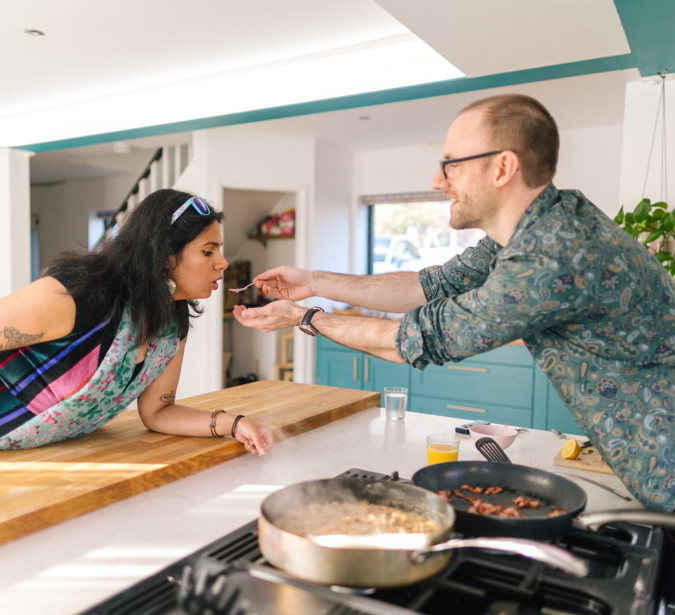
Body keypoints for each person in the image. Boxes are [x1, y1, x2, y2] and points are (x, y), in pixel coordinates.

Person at [234, 94, 675, 511]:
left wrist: (303, 318)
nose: (436, 181)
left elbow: (408, 340)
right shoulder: (539, 226)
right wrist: (312, 282)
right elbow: (426, 286)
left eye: (451, 165)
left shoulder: (551, 257)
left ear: (503, 167)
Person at [0, 189, 273, 456]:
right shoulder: (81, 295)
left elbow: (158, 412)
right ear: (163, 255)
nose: (223, 263)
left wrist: (234, 424)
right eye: (208, 251)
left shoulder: (171, 321)